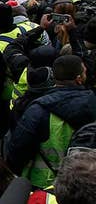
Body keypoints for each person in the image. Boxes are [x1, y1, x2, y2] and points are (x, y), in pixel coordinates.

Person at [7, 55, 96, 188]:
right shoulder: (92, 104)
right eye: (84, 71)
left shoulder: (38, 110)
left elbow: (18, 149)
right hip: (89, 182)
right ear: (79, 79)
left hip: (46, 184)